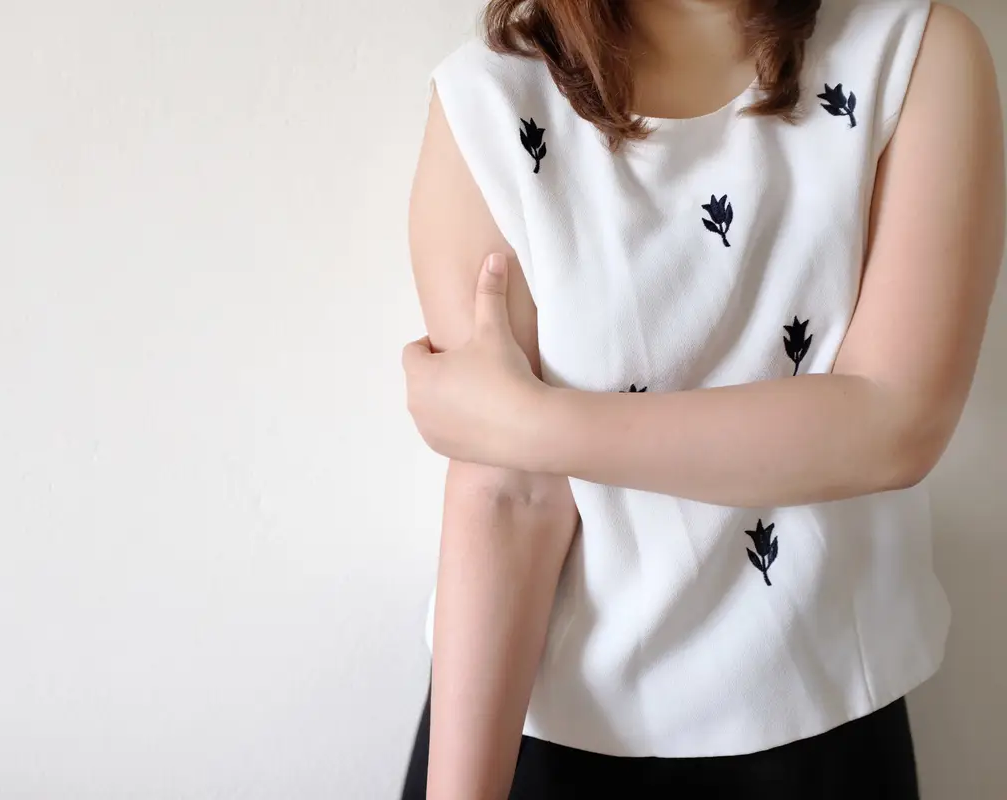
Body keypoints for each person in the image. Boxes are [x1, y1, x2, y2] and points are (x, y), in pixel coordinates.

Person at [399, 0, 1003, 797]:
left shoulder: (916, 52)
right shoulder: (491, 101)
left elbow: (895, 424)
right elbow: (508, 495)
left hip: (818, 726)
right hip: (542, 733)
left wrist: (535, 423)